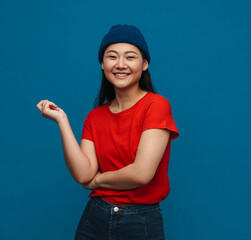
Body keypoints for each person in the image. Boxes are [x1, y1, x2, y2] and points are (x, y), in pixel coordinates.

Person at [36, 24, 179, 239]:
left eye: (130, 57)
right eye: (112, 57)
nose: (120, 64)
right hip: (95, 217)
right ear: (103, 64)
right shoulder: (95, 117)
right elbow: (83, 173)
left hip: (140, 221)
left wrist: (96, 181)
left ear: (145, 64)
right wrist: (62, 121)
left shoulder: (156, 106)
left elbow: (141, 173)